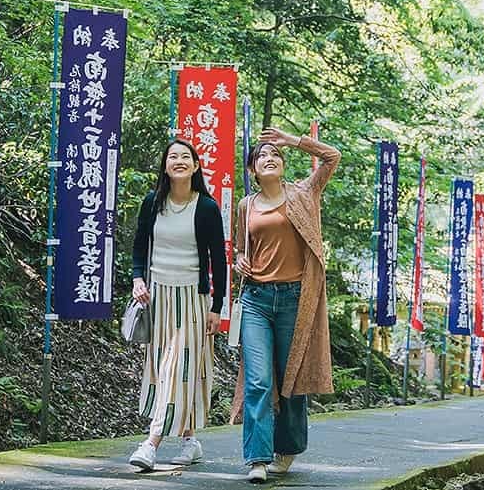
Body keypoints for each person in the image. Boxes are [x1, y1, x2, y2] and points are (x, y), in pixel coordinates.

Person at [231, 127, 341, 483]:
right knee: (259, 380)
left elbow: (332, 156)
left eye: (274, 155)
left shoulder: (304, 193)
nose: (269, 158)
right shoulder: (246, 206)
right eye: (262, 155)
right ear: (253, 169)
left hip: (296, 298)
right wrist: (238, 260)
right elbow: (239, 249)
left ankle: (287, 449)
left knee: (290, 378)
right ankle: (257, 459)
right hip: (256, 300)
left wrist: (291, 140)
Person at [127, 138, 227, 471]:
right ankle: (189, 438)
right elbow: (140, 246)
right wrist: (138, 279)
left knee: (177, 366)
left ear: (196, 166)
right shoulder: (152, 202)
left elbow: (218, 261)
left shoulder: (207, 208)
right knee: (163, 366)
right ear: (165, 166)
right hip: (158, 296)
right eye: (173, 157)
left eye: (186, 157)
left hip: (193, 300)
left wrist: (217, 306)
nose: (179, 161)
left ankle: (151, 442)